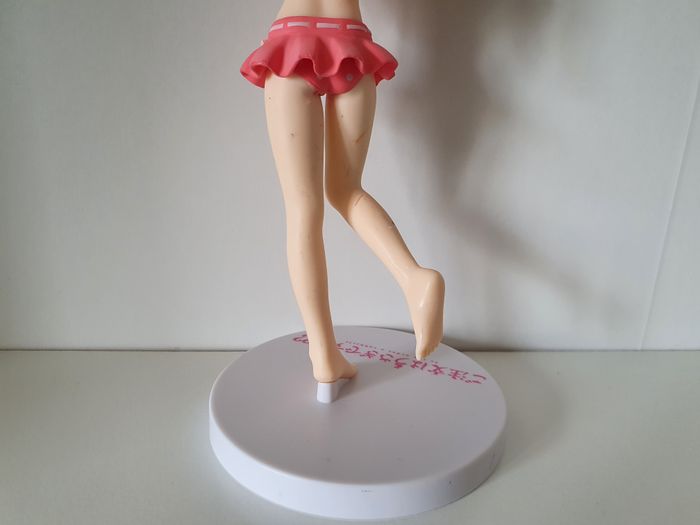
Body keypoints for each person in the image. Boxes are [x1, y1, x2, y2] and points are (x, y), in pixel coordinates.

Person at [240, 0, 445, 399]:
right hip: (350, 46)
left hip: (291, 47)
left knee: (302, 209)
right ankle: (413, 277)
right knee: (347, 189)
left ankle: (323, 354)